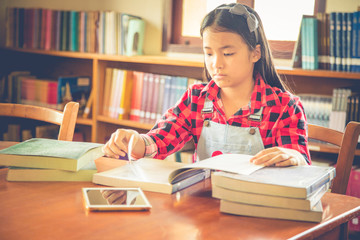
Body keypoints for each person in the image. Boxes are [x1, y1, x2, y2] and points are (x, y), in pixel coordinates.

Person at [102, 3, 311, 167]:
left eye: (228, 53)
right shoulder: (196, 98)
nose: (216, 64)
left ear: (256, 53)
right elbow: (158, 143)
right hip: (202, 208)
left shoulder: (284, 107)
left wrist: (294, 157)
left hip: (257, 211)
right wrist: (133, 141)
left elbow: (301, 167)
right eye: (208, 53)